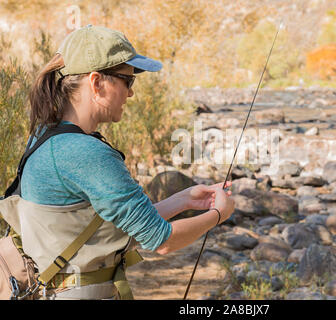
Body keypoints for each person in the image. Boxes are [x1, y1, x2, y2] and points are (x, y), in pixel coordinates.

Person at [5, 25, 235, 299]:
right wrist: (218, 215)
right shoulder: (86, 153)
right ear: (96, 82)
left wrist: (184, 200)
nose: (131, 93)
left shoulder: (45, 137)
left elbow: (120, 223)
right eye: (128, 81)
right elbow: (161, 241)